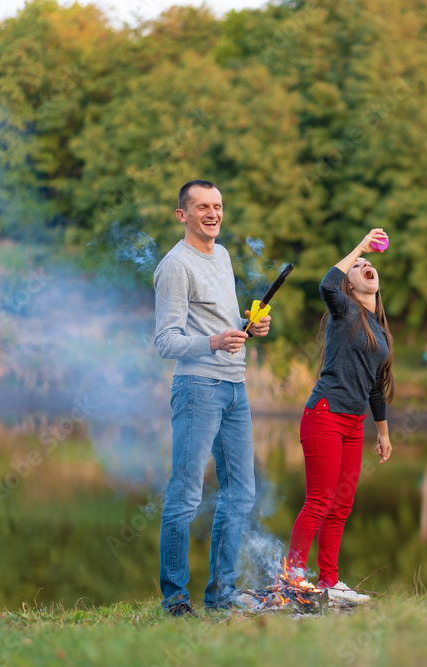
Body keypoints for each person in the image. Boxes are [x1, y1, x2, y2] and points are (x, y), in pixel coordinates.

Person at [153, 180, 272, 616]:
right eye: (202, 206)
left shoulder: (221, 256)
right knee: (185, 494)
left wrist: (248, 326)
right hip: (198, 388)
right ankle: (175, 598)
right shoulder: (175, 266)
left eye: (217, 206)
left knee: (241, 493)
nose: (212, 213)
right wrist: (214, 342)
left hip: (235, 387)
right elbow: (165, 341)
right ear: (182, 215)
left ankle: (222, 593)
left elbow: (225, 324)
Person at [285, 229, 394, 603]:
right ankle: (294, 577)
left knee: (341, 505)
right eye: (358, 265)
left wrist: (383, 433)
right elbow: (326, 285)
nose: (365, 265)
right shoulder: (344, 310)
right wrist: (360, 245)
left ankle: (329, 582)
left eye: (368, 262)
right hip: (325, 414)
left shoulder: (378, 329)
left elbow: (376, 387)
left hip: (354, 423)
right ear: (349, 284)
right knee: (320, 500)